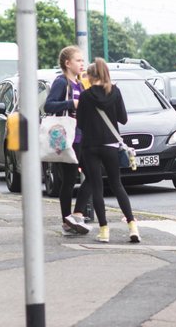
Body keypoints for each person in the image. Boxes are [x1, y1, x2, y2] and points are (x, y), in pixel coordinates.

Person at [76, 58, 140, 243]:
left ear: (91, 76)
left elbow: (80, 123)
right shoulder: (115, 92)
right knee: (117, 185)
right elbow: (123, 119)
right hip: (111, 144)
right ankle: (132, 226)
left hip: (90, 146)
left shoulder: (86, 96)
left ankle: (104, 231)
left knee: (97, 187)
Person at [44, 46, 92, 236]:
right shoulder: (61, 82)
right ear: (67, 63)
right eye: (78, 60)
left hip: (79, 135)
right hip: (66, 136)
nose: (82, 64)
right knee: (70, 179)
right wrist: (71, 103)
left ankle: (74, 215)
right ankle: (68, 219)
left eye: (82, 60)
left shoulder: (79, 83)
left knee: (89, 175)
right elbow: (48, 105)